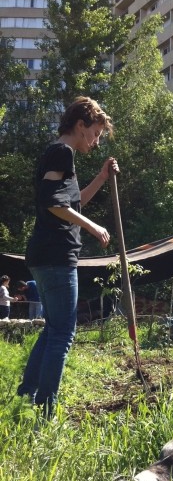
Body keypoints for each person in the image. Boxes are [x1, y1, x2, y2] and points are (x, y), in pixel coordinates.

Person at [17, 96, 119, 418]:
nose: (97, 141)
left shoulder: (59, 156)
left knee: (53, 329)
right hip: (57, 256)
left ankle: (25, 395)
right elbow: (52, 203)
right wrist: (93, 227)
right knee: (63, 332)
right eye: (96, 133)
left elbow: (72, 206)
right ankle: (45, 409)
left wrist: (101, 178)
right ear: (80, 125)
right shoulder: (62, 152)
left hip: (44, 255)